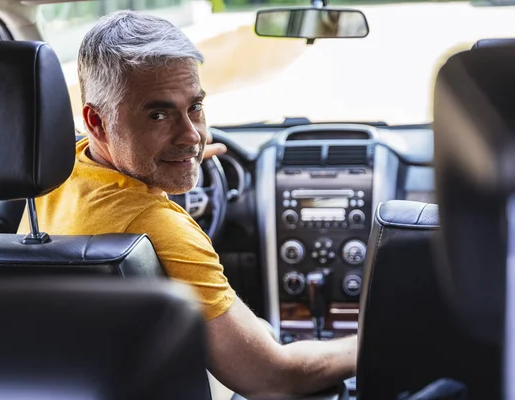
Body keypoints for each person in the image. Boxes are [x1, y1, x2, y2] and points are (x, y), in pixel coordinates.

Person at [19, 10, 357, 398]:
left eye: (195, 107)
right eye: (158, 114)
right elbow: (273, 378)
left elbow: (123, 177)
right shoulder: (160, 228)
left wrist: (169, 164)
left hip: (77, 378)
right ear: (97, 123)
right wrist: (368, 341)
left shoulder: (52, 173)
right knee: (263, 332)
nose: (192, 135)